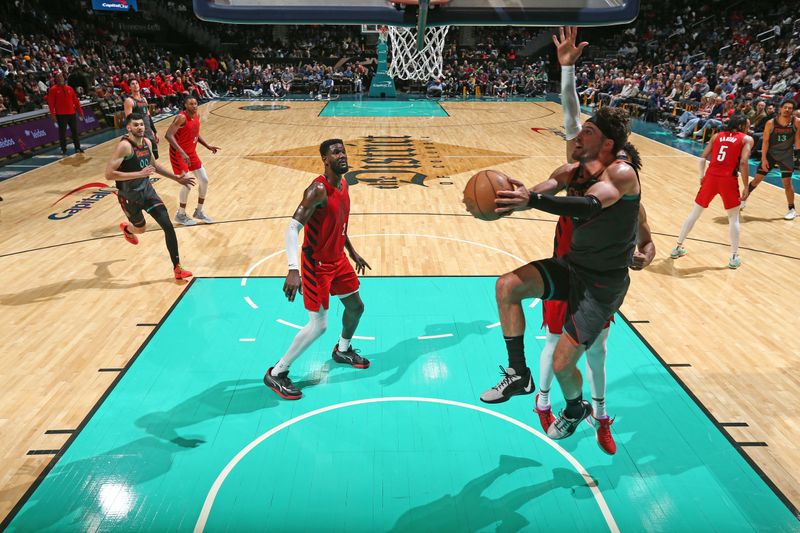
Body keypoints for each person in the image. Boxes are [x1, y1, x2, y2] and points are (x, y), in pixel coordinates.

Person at [478, 77, 640, 442]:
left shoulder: (621, 174)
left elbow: (589, 205)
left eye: (587, 132)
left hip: (603, 284)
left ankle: (576, 408)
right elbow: (543, 190)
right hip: (572, 267)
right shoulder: (570, 171)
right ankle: (519, 374)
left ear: (607, 143)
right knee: (506, 286)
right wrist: (511, 199)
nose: (576, 137)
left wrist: (532, 202)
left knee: (564, 363)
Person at [264, 139, 372, 400]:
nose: (342, 155)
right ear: (325, 159)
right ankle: (277, 373)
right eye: (336, 152)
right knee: (319, 325)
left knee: (356, 307)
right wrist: (293, 269)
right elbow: (292, 228)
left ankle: (342, 350)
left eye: (344, 151)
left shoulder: (344, 184)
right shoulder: (317, 190)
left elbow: (338, 223)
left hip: (338, 260)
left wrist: (351, 250)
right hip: (317, 266)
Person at [105, 112, 196, 280]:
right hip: (129, 196)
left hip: (147, 191)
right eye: (136, 125)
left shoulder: (146, 142)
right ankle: (127, 228)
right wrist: (138, 173)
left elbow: (154, 166)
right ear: (129, 127)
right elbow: (109, 174)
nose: (140, 127)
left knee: (167, 225)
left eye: (141, 124)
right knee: (141, 229)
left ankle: (177, 268)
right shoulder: (125, 147)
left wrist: (176, 178)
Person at [671, 113, 754, 268]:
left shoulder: (717, 136)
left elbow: (702, 157)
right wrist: (746, 186)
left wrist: (701, 176)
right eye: (748, 126)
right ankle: (734, 257)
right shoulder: (746, 139)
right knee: (733, 218)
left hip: (710, 176)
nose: (749, 129)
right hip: (728, 179)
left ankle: (677, 247)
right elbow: (743, 162)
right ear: (742, 126)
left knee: (695, 213)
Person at [165, 97, 220, 225]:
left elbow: (195, 133)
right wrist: (182, 152)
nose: (194, 106)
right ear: (185, 105)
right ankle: (181, 214)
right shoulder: (181, 118)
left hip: (191, 153)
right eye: (191, 104)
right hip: (178, 154)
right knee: (187, 184)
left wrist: (207, 145)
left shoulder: (197, 116)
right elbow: (168, 135)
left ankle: (199, 211)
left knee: (204, 180)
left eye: (195, 103)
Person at [744, 98, 799, 219]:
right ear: (780, 109)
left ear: (793, 111)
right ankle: (743, 199)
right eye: (785, 107)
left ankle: (792, 209)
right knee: (757, 179)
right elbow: (765, 142)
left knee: (787, 183)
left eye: (790, 108)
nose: (787, 110)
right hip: (771, 154)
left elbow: (798, 142)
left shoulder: (796, 122)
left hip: (786, 155)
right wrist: (763, 159)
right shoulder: (771, 123)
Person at [46, 71, 84, 156]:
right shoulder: (53, 90)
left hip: (72, 113)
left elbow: (76, 101)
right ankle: (63, 149)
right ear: (55, 79)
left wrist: (80, 112)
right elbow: (51, 104)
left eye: (61, 77)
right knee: (62, 133)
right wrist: (53, 115)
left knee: (75, 131)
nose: (60, 78)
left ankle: (77, 147)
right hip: (61, 115)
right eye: (58, 77)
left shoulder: (69, 88)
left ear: (63, 78)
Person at [124, 79, 160, 159]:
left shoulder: (144, 99)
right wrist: (133, 136)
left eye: (136, 83)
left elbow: (148, 116)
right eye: (132, 84)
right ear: (129, 87)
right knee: (145, 158)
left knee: (155, 156)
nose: (135, 85)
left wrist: (154, 131)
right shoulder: (129, 101)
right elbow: (129, 120)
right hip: (140, 133)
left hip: (148, 131)